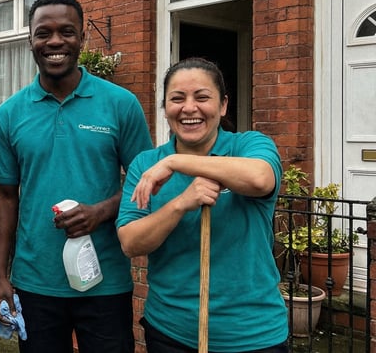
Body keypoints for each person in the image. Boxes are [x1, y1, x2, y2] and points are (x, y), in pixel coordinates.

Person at [0, 0, 152, 353]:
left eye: (67, 31)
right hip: (35, 282)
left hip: (105, 281)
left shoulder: (120, 104)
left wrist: (101, 212)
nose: (55, 41)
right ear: (30, 41)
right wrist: (1, 276)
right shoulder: (10, 114)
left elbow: (147, 181)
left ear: (82, 37)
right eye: (43, 33)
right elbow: (5, 198)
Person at [116, 57, 288, 352]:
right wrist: (181, 203)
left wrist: (176, 162)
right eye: (177, 99)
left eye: (202, 97)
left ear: (222, 106)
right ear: (166, 109)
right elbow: (131, 242)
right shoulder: (145, 165)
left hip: (253, 336)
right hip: (171, 332)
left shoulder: (248, 146)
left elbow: (261, 179)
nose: (189, 108)